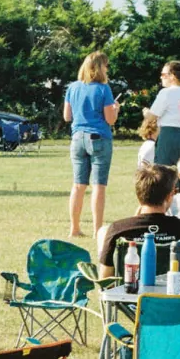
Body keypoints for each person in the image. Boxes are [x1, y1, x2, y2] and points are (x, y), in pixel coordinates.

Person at [95, 164, 180, 279]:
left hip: (129, 290)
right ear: (169, 196)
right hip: (172, 289)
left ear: (138, 194)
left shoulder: (118, 229)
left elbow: (105, 279)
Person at [64, 51, 119, 238]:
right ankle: (97, 230)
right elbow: (110, 119)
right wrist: (116, 110)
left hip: (77, 138)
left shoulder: (72, 87)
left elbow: (67, 116)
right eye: (106, 65)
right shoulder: (104, 89)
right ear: (100, 67)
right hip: (99, 138)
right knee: (98, 186)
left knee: (78, 185)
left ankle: (74, 228)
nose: (107, 69)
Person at [148, 60, 180, 168]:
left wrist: (146, 113)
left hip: (169, 135)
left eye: (163, 74)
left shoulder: (166, 93)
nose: (161, 77)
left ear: (172, 76)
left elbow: (151, 117)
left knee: (164, 171)